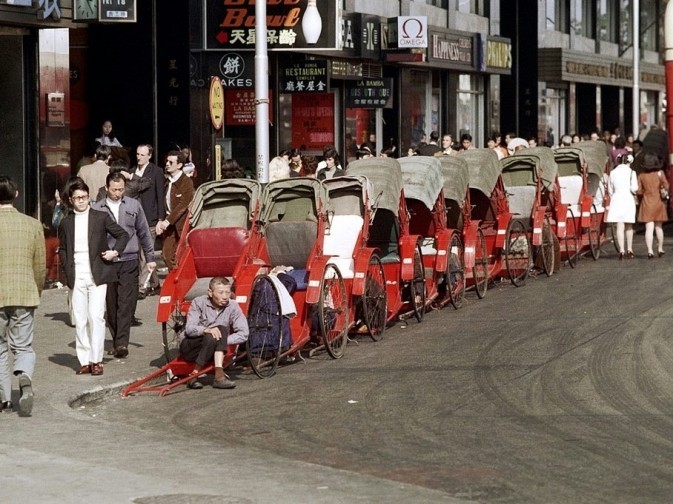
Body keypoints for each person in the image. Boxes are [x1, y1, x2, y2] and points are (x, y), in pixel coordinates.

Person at [58, 177, 129, 376]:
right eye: (77, 198)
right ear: (70, 200)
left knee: (96, 317)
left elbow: (122, 234)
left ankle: (96, 360)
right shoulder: (66, 222)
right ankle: (84, 361)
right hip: (77, 273)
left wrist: (115, 252)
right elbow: (63, 249)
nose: (81, 201)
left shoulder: (100, 217)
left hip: (98, 273)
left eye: (84, 197)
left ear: (89, 197)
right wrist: (67, 269)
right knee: (79, 319)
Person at [93, 172, 155, 358]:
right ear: (106, 189)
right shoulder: (97, 209)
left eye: (121, 189)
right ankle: (115, 339)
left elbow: (143, 232)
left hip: (129, 259)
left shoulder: (134, 205)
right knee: (111, 304)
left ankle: (122, 343)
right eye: (114, 190)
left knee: (126, 303)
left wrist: (150, 258)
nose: (118, 193)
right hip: (108, 262)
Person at [0, 176, 45, 416]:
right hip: (24, 293)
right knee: (23, 347)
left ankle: (3, 397)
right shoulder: (32, 224)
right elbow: (40, 266)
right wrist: (36, 290)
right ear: (16, 195)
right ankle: (24, 376)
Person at [180, 277, 249, 390]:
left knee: (219, 331)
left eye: (228, 292)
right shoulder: (198, 302)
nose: (225, 296)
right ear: (210, 293)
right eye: (221, 292)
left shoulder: (233, 306)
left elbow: (244, 333)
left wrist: (221, 340)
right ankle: (218, 376)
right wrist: (205, 330)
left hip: (213, 349)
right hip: (192, 346)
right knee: (218, 330)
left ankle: (199, 373)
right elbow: (189, 329)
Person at [156, 150, 195, 271]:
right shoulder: (168, 181)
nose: (167, 164)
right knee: (166, 255)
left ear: (179, 165)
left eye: (170, 162)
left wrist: (167, 221)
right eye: (166, 161)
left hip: (181, 224)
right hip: (169, 224)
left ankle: (178, 280)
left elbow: (183, 204)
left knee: (181, 256)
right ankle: (174, 277)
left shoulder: (186, 181)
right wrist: (161, 220)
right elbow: (163, 202)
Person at [134, 144, 164, 298]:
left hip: (150, 219)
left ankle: (141, 287)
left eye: (142, 154)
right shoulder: (132, 171)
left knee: (147, 254)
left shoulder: (156, 172)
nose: (139, 157)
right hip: (135, 219)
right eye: (138, 154)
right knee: (141, 254)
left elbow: (160, 195)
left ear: (149, 156)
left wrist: (160, 219)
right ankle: (156, 283)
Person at [606, 154, 638, 260]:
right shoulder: (631, 173)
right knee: (629, 226)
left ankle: (621, 250)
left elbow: (610, 189)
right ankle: (629, 249)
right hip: (628, 199)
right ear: (628, 162)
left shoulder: (613, 173)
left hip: (616, 199)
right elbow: (634, 188)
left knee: (620, 226)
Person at [637, 153, 669, 258]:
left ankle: (650, 251)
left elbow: (639, 191)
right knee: (659, 227)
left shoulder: (641, 175)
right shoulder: (660, 173)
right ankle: (660, 248)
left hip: (647, 203)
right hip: (658, 202)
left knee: (649, 228)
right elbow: (666, 185)